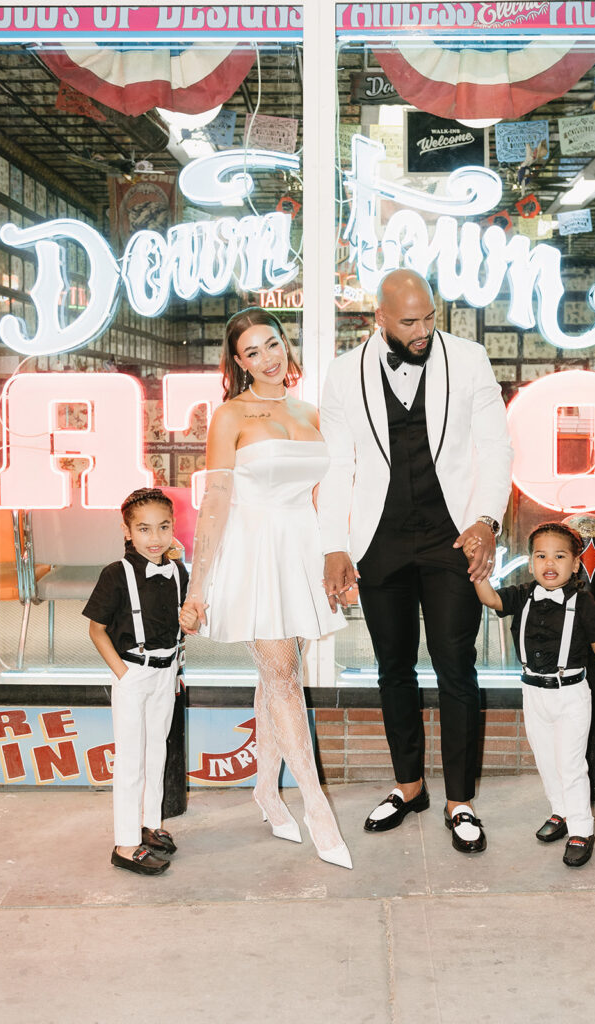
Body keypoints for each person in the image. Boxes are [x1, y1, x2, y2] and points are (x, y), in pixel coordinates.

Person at [319, 269, 513, 853]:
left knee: (457, 666)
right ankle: (409, 787)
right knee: (392, 667)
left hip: (452, 534)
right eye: (409, 321)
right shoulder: (343, 372)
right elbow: (337, 464)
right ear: (378, 318)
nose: (424, 330)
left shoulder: (470, 358)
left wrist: (487, 519)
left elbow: (494, 446)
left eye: (430, 317)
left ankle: (460, 800)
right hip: (377, 538)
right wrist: (333, 544)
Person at [179, 307, 351, 870]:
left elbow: (330, 496)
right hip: (251, 552)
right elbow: (216, 502)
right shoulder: (230, 416)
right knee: (282, 673)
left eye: (272, 344)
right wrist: (197, 587)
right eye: (252, 352)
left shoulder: (310, 412)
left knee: (279, 674)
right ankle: (317, 808)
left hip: (299, 551)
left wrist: (336, 556)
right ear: (237, 362)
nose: (267, 359)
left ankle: (265, 789)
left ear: (285, 343)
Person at [468, 521, 595, 867]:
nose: (549, 563)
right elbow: (489, 598)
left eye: (559, 556)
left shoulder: (584, 602)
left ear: (575, 564)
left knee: (571, 763)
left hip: (571, 694)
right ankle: (559, 811)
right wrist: (477, 568)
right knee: (546, 760)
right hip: (533, 694)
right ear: (530, 562)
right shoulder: (522, 594)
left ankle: (581, 829)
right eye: (541, 555)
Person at [83, 488, 188, 875]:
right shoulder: (116, 573)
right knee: (130, 761)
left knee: (155, 752)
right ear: (128, 530)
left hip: (166, 673)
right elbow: (96, 631)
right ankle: (125, 844)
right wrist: (124, 674)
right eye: (144, 529)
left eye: (163, 527)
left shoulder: (177, 570)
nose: (155, 537)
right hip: (133, 672)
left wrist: (190, 624)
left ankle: (150, 825)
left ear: (173, 526)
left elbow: (182, 619)